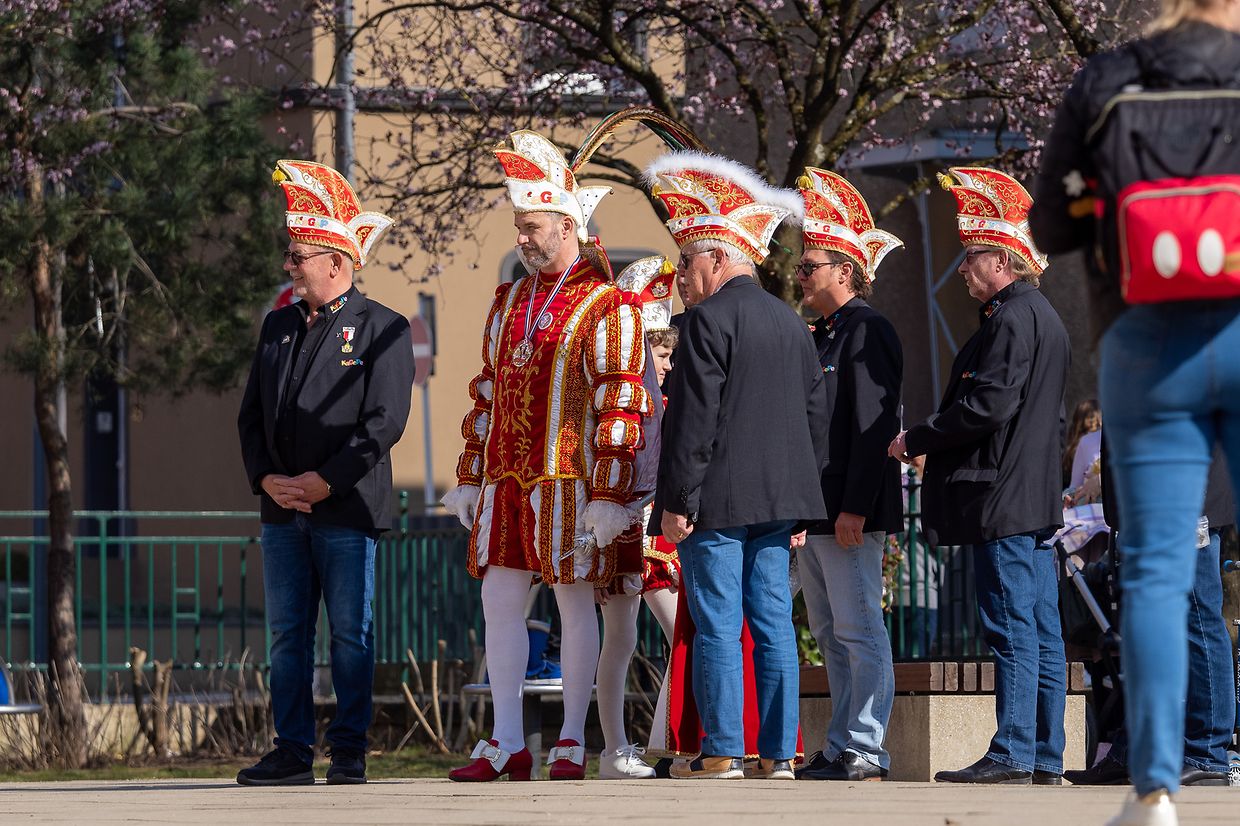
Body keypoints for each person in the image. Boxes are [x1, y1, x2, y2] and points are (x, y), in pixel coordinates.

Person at [1030, 2, 1240, 821]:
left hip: (1143, 339)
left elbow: (1052, 220)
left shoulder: (1107, 78)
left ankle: (1154, 790)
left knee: (1154, 569)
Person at [441, 129, 651, 782]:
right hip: (506, 477)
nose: (521, 239)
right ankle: (506, 739)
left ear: (566, 224)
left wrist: (612, 496)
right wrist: (470, 474)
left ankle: (568, 739)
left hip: (568, 481)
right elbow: (486, 390)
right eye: (517, 226)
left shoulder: (607, 305)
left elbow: (622, 405)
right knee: (499, 604)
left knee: (571, 604)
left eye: (531, 226)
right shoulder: (509, 301)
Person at [645, 151, 828, 780]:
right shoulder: (792, 322)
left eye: (687, 262)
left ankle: (722, 747)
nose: (679, 277)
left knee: (720, 624)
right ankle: (778, 753)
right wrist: (803, 500)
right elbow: (813, 419)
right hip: (779, 504)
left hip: (718, 502)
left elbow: (692, 421)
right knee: (773, 624)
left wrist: (677, 502)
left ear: (719, 257)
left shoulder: (704, 322)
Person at [889, 166, 1070, 786]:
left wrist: (918, 438)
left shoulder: (1012, 320)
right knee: (1041, 630)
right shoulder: (1040, 317)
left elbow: (987, 406)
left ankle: (1015, 749)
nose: (962, 269)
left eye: (971, 258)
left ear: (1004, 261)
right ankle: (1046, 752)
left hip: (1004, 499)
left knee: (1012, 625)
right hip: (1031, 497)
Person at [236, 160, 414, 786]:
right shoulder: (278, 325)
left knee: (350, 638)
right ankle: (290, 751)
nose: (289, 267)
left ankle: (348, 752)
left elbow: (385, 424)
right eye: (289, 255)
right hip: (282, 511)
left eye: (298, 256)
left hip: (344, 510)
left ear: (336, 263)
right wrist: (267, 480)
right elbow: (251, 417)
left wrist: (326, 481)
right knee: (287, 637)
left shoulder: (384, 328)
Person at [790, 168, 904, 782]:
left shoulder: (868, 330)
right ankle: (841, 742)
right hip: (819, 511)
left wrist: (855, 505)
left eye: (810, 266)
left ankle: (865, 746)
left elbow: (872, 426)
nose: (801, 276)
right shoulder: (825, 334)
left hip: (849, 510)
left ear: (844, 269)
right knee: (833, 632)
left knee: (860, 629)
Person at [594, 255, 680, 779]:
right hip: (624, 524)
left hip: (657, 532)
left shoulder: (662, 398)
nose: (666, 363)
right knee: (624, 638)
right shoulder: (619, 395)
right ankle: (618, 747)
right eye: (661, 351)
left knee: (668, 635)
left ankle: (661, 740)